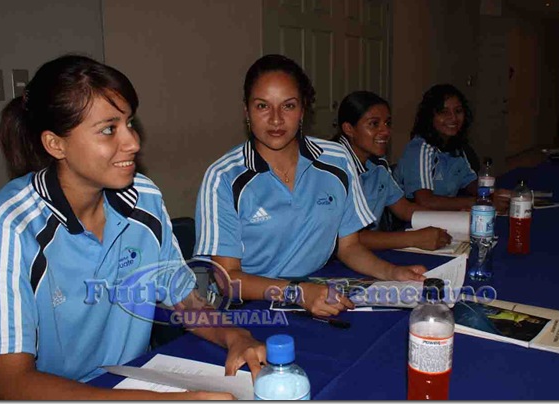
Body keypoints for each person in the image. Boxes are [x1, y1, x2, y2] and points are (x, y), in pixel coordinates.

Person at [0, 55, 265, 400]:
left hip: (129, 382)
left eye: (129, 123)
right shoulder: (11, 224)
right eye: (109, 129)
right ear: (55, 144)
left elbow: (185, 301)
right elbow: (11, 383)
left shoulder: (144, 196)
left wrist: (235, 337)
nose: (133, 142)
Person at [194, 54, 426, 318]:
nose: (276, 119)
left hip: (320, 291)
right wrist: (296, 292)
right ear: (246, 111)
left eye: (288, 106)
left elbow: (348, 247)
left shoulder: (337, 160)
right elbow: (227, 281)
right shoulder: (224, 177)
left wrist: (393, 273)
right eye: (262, 106)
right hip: (251, 309)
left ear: (303, 110)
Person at [333, 90, 451, 251]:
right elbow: (345, 237)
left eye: (387, 123)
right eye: (374, 124)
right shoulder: (332, 169)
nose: (386, 131)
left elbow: (404, 209)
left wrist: (456, 219)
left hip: (368, 253)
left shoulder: (377, 164)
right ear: (349, 129)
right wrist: (413, 238)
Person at [394, 84, 509, 212]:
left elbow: (469, 182)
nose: (453, 118)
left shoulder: (456, 146)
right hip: (412, 221)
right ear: (430, 117)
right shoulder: (419, 149)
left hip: (443, 216)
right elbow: (425, 201)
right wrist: (480, 202)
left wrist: (493, 195)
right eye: (444, 112)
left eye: (458, 111)